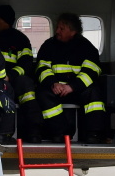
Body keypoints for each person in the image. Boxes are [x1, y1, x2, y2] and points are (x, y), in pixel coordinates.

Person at [35, 13, 108, 144]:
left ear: (73, 31)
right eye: (57, 27)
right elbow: (41, 68)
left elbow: (92, 71)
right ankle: (60, 133)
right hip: (55, 89)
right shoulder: (48, 45)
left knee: (94, 93)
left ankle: (94, 134)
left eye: (61, 29)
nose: (57, 31)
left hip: (77, 90)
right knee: (42, 94)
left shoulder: (87, 48)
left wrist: (72, 87)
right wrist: (53, 84)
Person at [0, 4, 42, 143]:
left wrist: (10, 76)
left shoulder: (20, 39)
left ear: (3, 20)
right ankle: (2, 134)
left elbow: (26, 64)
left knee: (26, 86)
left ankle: (34, 132)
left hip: (12, 78)